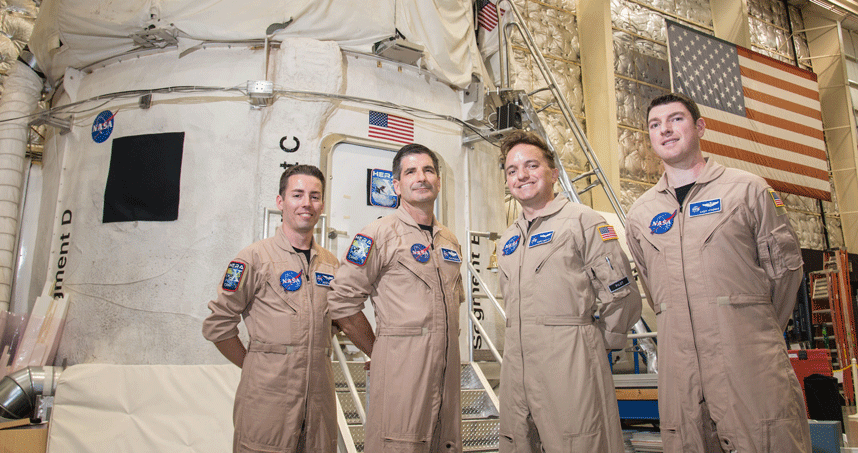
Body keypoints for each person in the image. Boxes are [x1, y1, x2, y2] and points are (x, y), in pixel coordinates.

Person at [625, 93, 810, 452]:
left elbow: (786, 274)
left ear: (700, 127)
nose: (665, 129)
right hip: (682, 371)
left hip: (748, 359)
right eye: (654, 124)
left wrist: (745, 324)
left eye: (676, 119)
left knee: (767, 441)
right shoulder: (641, 214)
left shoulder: (748, 190)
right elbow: (653, 289)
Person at [496, 130, 642, 452]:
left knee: (582, 443)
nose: (522, 175)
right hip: (516, 365)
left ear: (553, 173)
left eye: (531, 166)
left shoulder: (582, 222)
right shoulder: (506, 240)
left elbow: (622, 295)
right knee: (518, 442)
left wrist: (592, 347)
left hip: (571, 361)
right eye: (512, 170)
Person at [328, 143, 464, 453]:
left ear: (438, 182)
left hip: (447, 373)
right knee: (399, 445)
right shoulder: (378, 234)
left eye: (429, 170)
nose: (421, 177)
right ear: (396, 184)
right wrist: (378, 350)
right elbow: (340, 300)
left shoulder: (449, 240)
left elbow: (455, 302)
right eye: (411, 171)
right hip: (402, 372)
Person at [202, 165, 339, 453]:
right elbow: (217, 325)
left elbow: (335, 322)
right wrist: (256, 365)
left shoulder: (331, 264)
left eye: (314, 196)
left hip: (319, 399)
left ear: (322, 205)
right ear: (280, 202)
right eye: (297, 195)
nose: (306, 203)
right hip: (268, 398)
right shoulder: (253, 258)